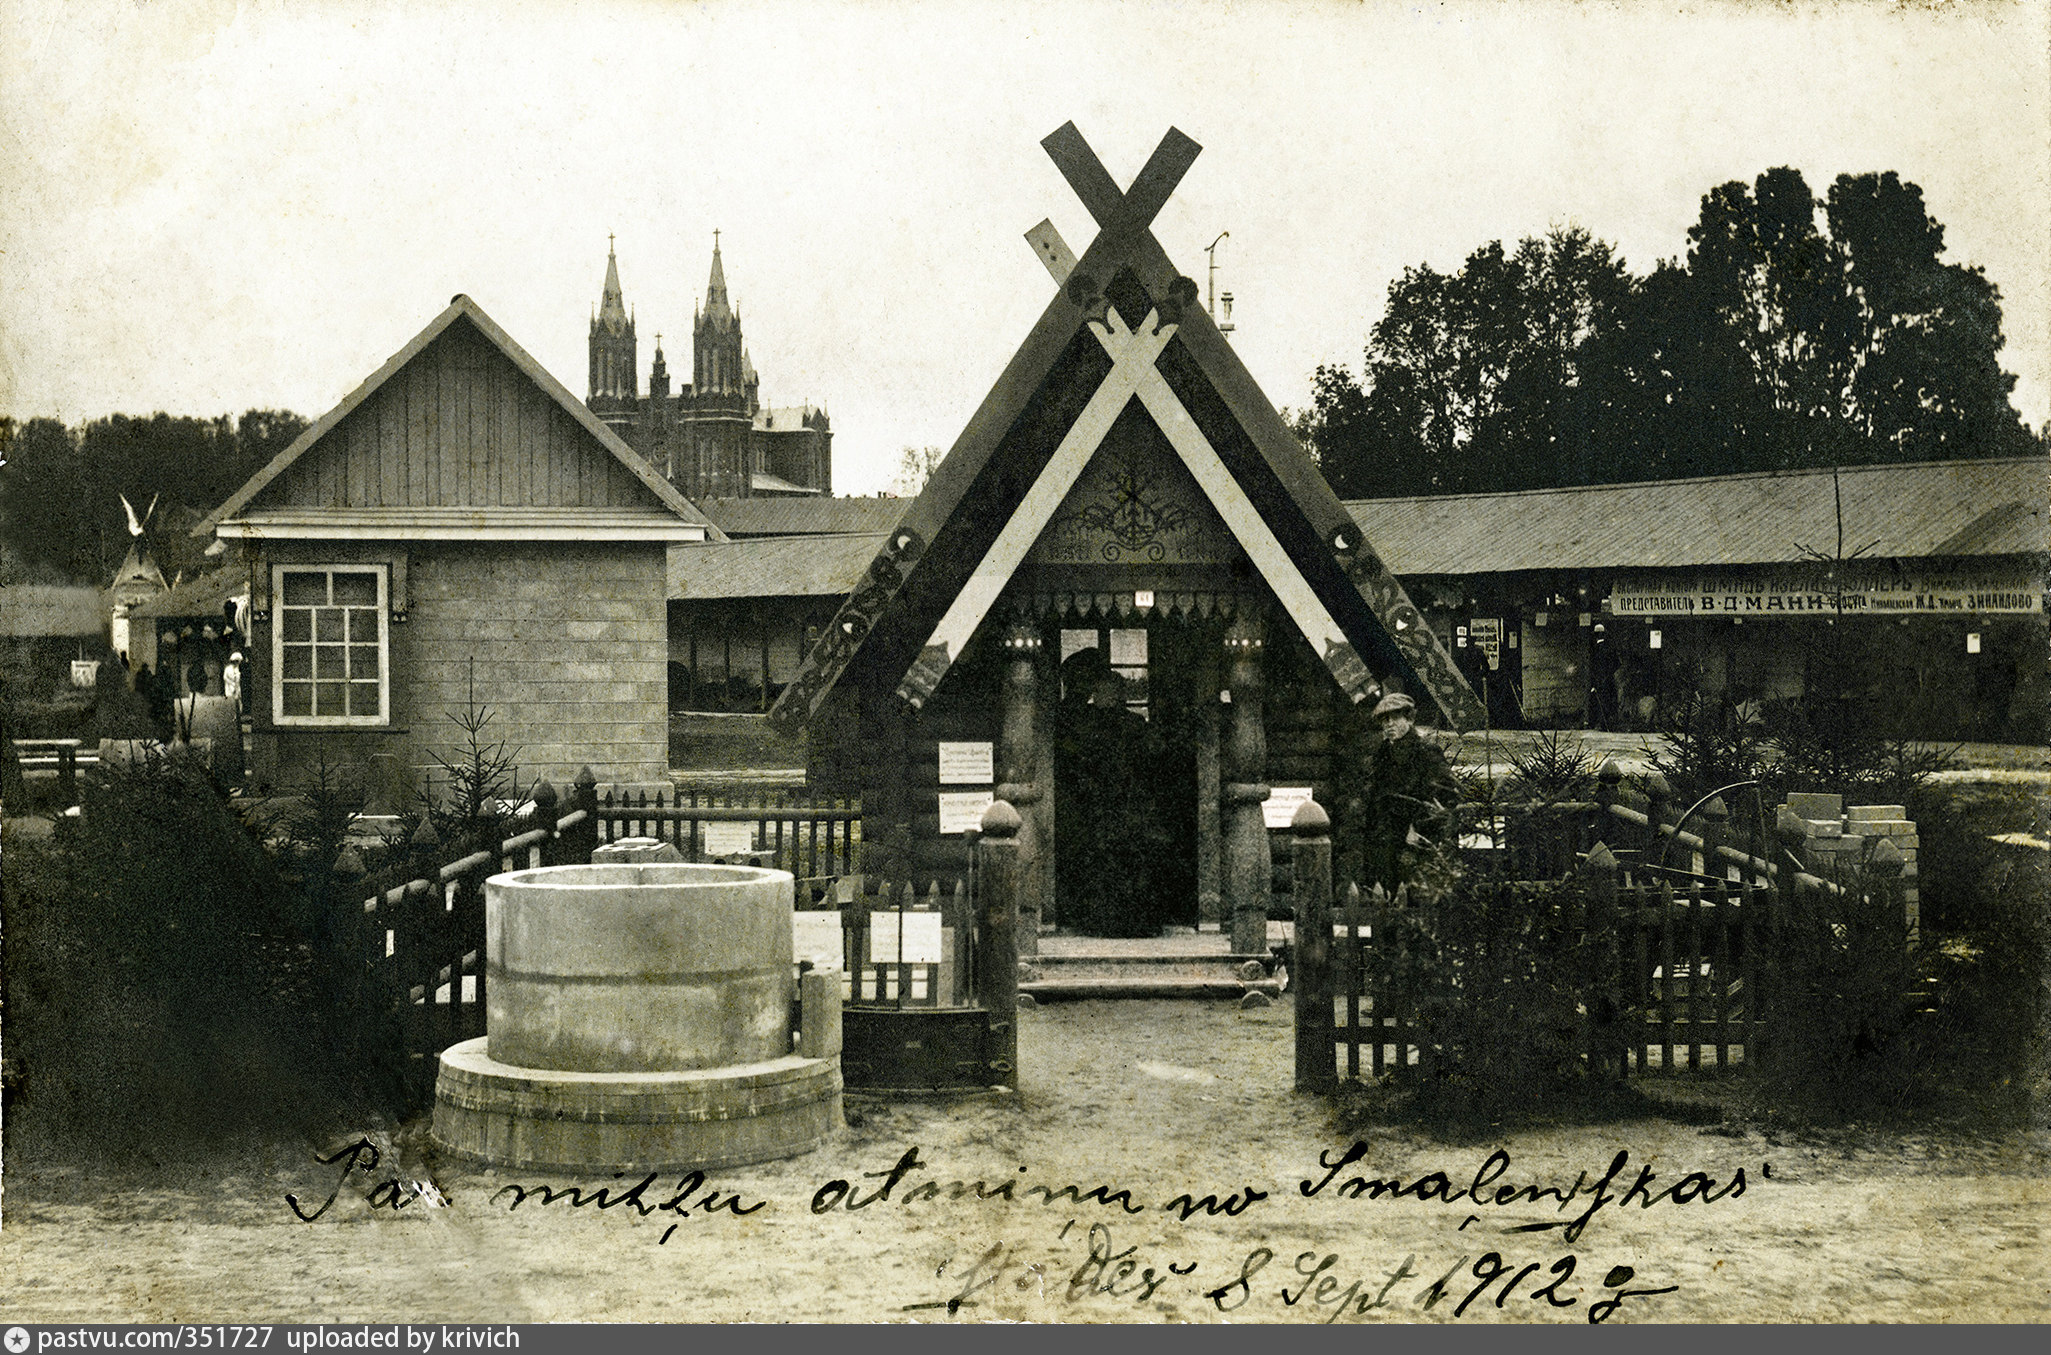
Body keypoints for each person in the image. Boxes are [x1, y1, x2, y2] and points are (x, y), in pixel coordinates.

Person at [1053, 646, 1170, 936]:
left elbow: (1150, 761)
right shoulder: (1109, 724)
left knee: (1118, 864)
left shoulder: (1120, 725)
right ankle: (1122, 925)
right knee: (1112, 865)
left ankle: (1115, 925)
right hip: (1111, 807)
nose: (1103, 696)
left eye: (1108, 691)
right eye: (1102, 690)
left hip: (1117, 807)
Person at [1340, 692, 1459, 896]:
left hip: (1413, 843)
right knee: (1384, 903)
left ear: (1409, 719)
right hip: (1382, 844)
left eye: (1394, 718)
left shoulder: (1426, 753)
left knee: (1413, 901)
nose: (1389, 724)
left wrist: (1419, 829)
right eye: (1384, 720)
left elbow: (1446, 797)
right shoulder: (1381, 756)